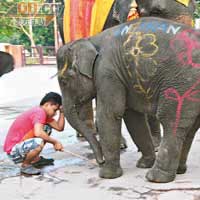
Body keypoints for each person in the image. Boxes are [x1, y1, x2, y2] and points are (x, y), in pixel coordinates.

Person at [3, 92, 65, 175]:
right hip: (13, 152)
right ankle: (26, 166)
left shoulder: (45, 115)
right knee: (38, 142)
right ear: (47, 105)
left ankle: (35, 159)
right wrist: (55, 142)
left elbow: (59, 127)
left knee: (46, 129)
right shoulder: (39, 112)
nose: (55, 113)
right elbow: (38, 133)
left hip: (20, 148)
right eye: (54, 110)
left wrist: (62, 112)